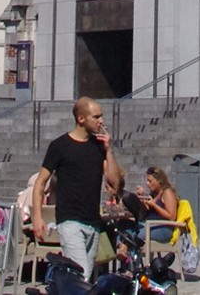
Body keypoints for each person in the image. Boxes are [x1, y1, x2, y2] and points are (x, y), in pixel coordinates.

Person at [31, 97, 124, 284]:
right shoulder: (60, 146)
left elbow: (115, 183)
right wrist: (38, 217)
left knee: (84, 280)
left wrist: (108, 150)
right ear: (81, 119)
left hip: (93, 221)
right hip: (70, 220)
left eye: (102, 116)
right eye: (96, 116)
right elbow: (40, 182)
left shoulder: (98, 146)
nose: (101, 121)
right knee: (81, 275)